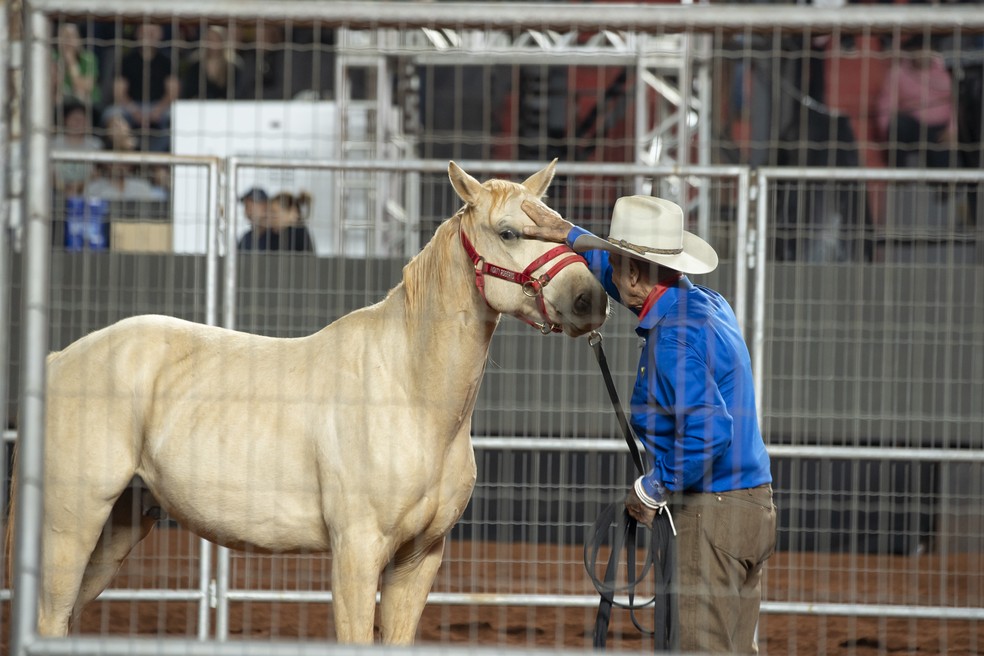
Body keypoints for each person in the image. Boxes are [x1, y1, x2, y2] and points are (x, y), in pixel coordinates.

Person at [522, 195, 776, 654]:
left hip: (711, 515)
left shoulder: (674, 336)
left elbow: (709, 432)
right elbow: (622, 280)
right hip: (751, 510)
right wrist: (572, 236)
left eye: (620, 266)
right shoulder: (705, 304)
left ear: (636, 272)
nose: (613, 279)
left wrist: (654, 487)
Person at [875, 34, 956, 168]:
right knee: (898, 125)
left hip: (940, 130)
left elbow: (956, 102)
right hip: (914, 127)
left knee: (944, 160)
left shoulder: (946, 72)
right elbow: (886, 104)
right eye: (918, 50)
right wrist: (887, 130)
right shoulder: (898, 73)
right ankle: (898, 176)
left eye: (926, 49)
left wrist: (953, 129)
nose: (922, 54)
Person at [102, 22, 179, 152]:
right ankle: (130, 150)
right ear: (137, 33)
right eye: (145, 31)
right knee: (111, 115)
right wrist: (135, 112)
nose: (149, 36)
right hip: (131, 107)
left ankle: (156, 157)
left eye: (153, 32)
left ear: (160, 35)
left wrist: (157, 111)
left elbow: (172, 92)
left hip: (159, 108)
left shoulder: (167, 61)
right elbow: (119, 93)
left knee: (177, 117)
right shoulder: (126, 60)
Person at [179, 25, 249, 100]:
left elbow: (239, 94)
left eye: (216, 39)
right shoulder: (195, 67)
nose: (212, 44)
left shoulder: (233, 69)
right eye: (209, 40)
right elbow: (187, 93)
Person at [52, 98, 104, 197]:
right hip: (56, 191)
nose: (79, 123)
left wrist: (79, 186)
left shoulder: (96, 145)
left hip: (88, 191)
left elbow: (99, 173)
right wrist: (65, 188)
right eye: (75, 119)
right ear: (65, 120)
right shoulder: (53, 144)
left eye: (83, 119)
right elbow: (48, 174)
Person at [238, 189, 314, 252]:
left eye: (274, 212)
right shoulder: (269, 236)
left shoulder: (299, 233)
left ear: (292, 213)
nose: (270, 216)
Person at [52, 22, 102, 116]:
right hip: (60, 103)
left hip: (87, 103)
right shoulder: (53, 57)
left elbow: (85, 87)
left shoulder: (89, 58)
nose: (68, 41)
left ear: (79, 39)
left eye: (72, 36)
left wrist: (72, 63)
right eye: (64, 37)